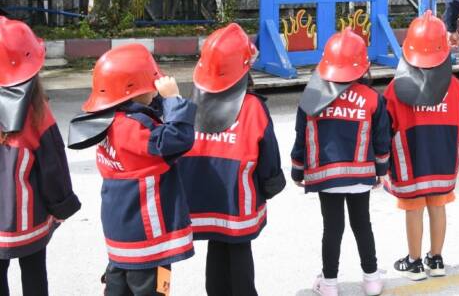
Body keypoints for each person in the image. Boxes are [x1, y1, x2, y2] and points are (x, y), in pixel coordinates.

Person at [67, 44, 196, 295]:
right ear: (135, 90)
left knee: (118, 288)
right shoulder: (135, 129)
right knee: (157, 290)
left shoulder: (109, 123)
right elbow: (179, 138)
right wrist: (173, 100)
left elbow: (146, 113)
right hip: (149, 243)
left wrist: (156, 100)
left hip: (121, 238)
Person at [178, 23, 285, 296]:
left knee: (216, 248)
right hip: (237, 201)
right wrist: (271, 186)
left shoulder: (190, 104)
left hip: (202, 199)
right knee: (239, 254)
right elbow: (269, 160)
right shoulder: (253, 108)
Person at [292, 29, 391, 296]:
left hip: (326, 178)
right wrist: (381, 170)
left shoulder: (312, 95)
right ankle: (371, 279)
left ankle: (330, 284)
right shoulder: (372, 98)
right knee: (362, 225)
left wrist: (297, 168)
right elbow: (382, 139)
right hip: (360, 176)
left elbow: (301, 135)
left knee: (332, 229)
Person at [385, 12, 459, 281]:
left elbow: (385, 127)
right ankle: (436, 258)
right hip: (442, 163)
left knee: (413, 209)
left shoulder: (394, 89)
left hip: (411, 164)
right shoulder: (456, 88)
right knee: (438, 206)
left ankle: (414, 262)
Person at [0, 17, 81, 296]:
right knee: (35, 276)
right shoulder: (37, 114)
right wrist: (61, 207)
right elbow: (53, 169)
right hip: (28, 221)